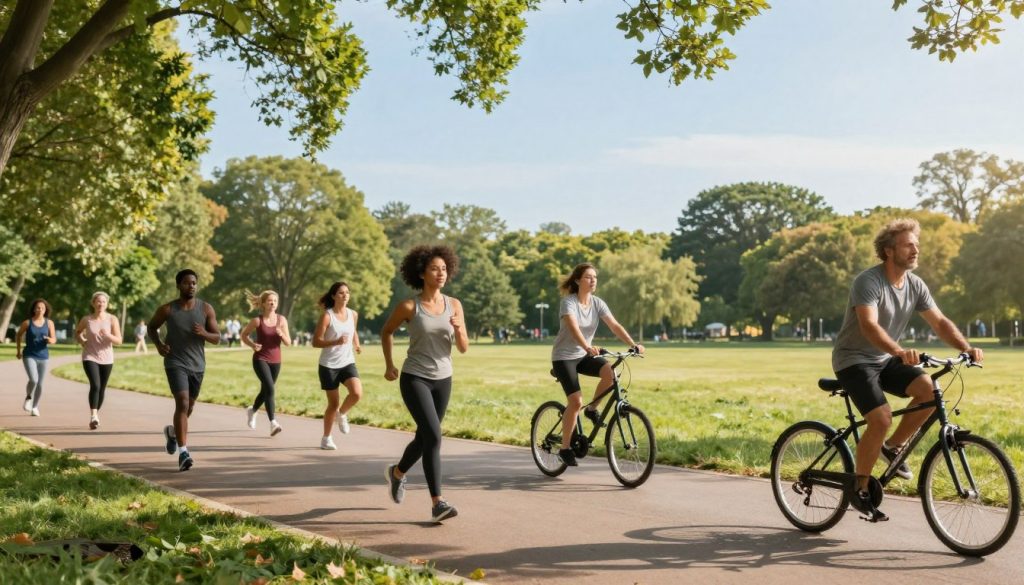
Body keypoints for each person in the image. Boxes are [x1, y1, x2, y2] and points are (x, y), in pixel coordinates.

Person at [832, 218, 983, 522]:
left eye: (916, 244)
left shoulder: (915, 284)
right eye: (908, 244)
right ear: (889, 251)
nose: (916, 249)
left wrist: (965, 348)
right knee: (881, 418)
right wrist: (899, 351)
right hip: (854, 359)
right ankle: (859, 487)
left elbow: (939, 322)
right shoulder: (869, 281)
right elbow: (868, 325)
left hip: (884, 359)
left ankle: (893, 447)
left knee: (929, 390)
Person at [381, 245, 469, 523]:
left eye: (444, 269)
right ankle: (437, 503)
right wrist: (389, 364)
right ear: (421, 273)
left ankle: (397, 473)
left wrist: (458, 329)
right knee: (434, 435)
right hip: (415, 377)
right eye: (434, 269)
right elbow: (387, 332)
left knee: (425, 437)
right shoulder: (410, 306)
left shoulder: (454, 305)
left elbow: (464, 347)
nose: (440, 273)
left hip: (444, 378)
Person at [550, 263, 644, 467]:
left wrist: (633, 344)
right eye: (588, 277)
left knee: (610, 373)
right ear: (577, 280)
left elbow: (614, 325)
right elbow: (573, 328)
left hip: (584, 354)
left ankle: (592, 409)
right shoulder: (569, 303)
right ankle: (565, 448)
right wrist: (587, 346)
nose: (593, 280)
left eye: (595, 277)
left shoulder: (597, 303)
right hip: (564, 357)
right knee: (575, 402)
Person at [147, 269, 221, 471]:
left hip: (197, 365)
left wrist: (204, 332)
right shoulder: (168, 310)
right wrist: (159, 345)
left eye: (194, 283)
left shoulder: (206, 309)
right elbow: (151, 327)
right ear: (179, 285)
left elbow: (217, 338)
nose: (192, 286)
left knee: (189, 408)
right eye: (187, 283)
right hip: (175, 363)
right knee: (182, 402)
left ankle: (172, 433)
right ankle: (184, 452)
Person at [312, 281, 363, 450]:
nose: (345, 295)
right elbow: (316, 342)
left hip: (347, 362)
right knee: (333, 404)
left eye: (347, 292)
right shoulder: (327, 316)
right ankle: (326, 438)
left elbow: (353, 330)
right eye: (341, 293)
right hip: (328, 365)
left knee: (356, 393)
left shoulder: (353, 314)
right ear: (333, 296)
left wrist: (357, 344)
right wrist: (336, 341)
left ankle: (342, 414)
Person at [241, 290, 291, 436]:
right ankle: (273, 423)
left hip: (276, 360)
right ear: (263, 303)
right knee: (270, 388)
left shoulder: (282, 320)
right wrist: (252, 345)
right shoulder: (257, 321)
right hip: (260, 358)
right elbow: (244, 335)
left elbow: (288, 342)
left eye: (275, 301)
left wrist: (281, 334)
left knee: (266, 390)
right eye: (269, 301)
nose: (272, 303)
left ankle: (253, 410)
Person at [74, 292, 123, 430]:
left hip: (107, 358)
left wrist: (108, 335)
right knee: (95, 385)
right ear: (93, 303)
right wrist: (82, 341)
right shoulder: (87, 319)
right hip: (90, 356)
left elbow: (119, 340)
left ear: (107, 304)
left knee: (102, 388)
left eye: (104, 302)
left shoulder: (112, 319)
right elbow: (78, 332)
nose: (101, 304)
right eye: (98, 301)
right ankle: (93, 415)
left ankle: (95, 414)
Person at [15, 299, 57, 416]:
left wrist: (50, 340)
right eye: (38, 308)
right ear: (34, 309)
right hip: (29, 355)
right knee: (34, 379)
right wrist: (18, 351)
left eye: (42, 308)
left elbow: (54, 339)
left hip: (44, 356)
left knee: (40, 384)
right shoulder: (27, 323)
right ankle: (28, 397)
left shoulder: (49, 323)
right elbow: (18, 335)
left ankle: (35, 407)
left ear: (45, 310)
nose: (40, 310)